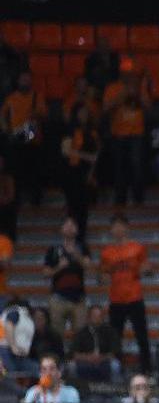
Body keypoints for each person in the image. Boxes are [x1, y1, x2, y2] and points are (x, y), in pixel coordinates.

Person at [101, 215, 152, 374]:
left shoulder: (138, 248)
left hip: (135, 297)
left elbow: (148, 268)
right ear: (111, 230)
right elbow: (102, 275)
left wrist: (146, 270)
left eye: (120, 226)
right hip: (116, 299)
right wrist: (102, 277)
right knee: (116, 339)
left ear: (127, 228)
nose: (118, 230)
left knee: (141, 336)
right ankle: (117, 370)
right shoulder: (107, 252)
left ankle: (146, 370)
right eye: (114, 226)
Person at [1, 71, 48, 205]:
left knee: (34, 171)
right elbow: (2, 115)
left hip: (33, 137)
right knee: (17, 171)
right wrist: (6, 130)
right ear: (18, 81)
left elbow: (44, 114)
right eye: (23, 79)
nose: (25, 82)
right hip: (17, 138)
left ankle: (36, 200)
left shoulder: (37, 96)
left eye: (28, 79)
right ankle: (17, 198)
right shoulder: (11, 98)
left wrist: (36, 114)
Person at [107, 66, 150, 206]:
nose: (129, 76)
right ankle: (120, 199)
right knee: (119, 168)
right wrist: (123, 94)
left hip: (136, 135)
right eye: (126, 74)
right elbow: (106, 107)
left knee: (137, 166)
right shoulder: (113, 88)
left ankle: (138, 198)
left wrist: (138, 93)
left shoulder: (139, 88)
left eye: (131, 74)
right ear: (121, 74)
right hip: (118, 134)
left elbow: (148, 106)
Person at [43, 217, 92, 338]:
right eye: (67, 225)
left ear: (77, 230)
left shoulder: (82, 248)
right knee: (55, 334)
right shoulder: (53, 250)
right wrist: (59, 267)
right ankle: (57, 356)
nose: (70, 228)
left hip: (79, 298)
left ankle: (77, 356)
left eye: (73, 225)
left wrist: (77, 255)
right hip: (58, 297)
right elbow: (45, 273)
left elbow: (88, 266)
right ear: (61, 229)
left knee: (81, 335)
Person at [60, 101, 102, 241]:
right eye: (81, 112)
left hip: (87, 173)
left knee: (84, 207)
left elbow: (97, 154)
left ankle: (81, 237)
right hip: (72, 171)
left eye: (85, 112)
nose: (83, 115)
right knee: (72, 206)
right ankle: (70, 236)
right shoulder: (70, 129)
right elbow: (66, 151)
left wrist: (91, 173)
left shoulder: (93, 131)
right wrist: (86, 156)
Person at [69, 304, 121, 382]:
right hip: (84, 361)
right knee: (71, 366)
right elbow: (73, 353)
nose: (97, 319)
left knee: (115, 365)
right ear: (88, 318)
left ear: (103, 318)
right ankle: (75, 389)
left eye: (99, 316)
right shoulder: (80, 333)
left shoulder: (110, 331)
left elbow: (115, 351)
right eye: (94, 316)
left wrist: (101, 358)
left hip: (104, 360)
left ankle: (114, 390)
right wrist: (88, 358)